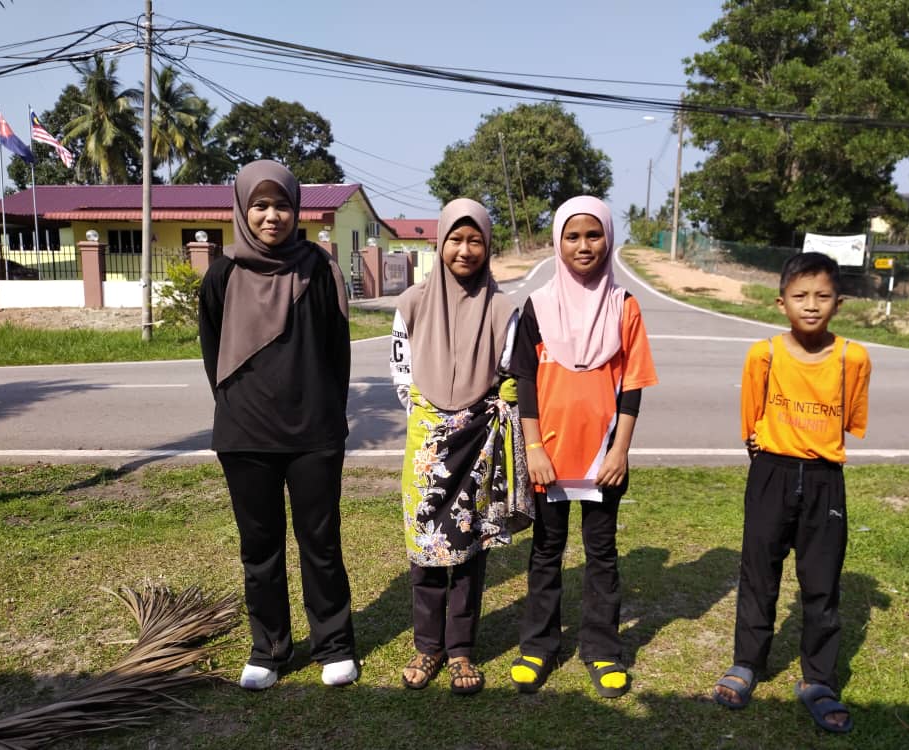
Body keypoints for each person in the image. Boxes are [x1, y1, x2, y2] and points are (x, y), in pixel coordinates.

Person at [198, 159, 358, 691]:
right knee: (259, 547)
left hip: (314, 432)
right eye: (260, 206)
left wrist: (329, 415)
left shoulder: (319, 269)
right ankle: (268, 649)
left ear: (297, 210)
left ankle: (333, 644)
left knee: (321, 541)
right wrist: (238, 408)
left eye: (282, 205)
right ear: (243, 210)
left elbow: (337, 352)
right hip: (246, 434)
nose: (272, 216)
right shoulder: (222, 274)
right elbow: (213, 354)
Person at [712, 251, 871, 734]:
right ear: (781, 302)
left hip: (825, 479)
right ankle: (746, 663)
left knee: (821, 583)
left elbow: (849, 418)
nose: (811, 305)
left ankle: (818, 681)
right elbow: (751, 421)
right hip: (772, 473)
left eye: (823, 296)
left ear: (839, 303)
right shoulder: (763, 354)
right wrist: (770, 452)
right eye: (800, 296)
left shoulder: (853, 358)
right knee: (758, 572)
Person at [508, 196, 657, 698]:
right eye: (572, 236)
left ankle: (602, 649)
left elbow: (632, 385)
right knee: (546, 551)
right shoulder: (538, 305)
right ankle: (538, 645)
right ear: (558, 242)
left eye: (594, 235)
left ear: (608, 239)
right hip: (548, 455)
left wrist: (620, 451)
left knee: (602, 553)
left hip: (602, 458)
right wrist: (534, 448)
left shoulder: (624, 305)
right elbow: (525, 381)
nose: (583, 245)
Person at [391, 198, 529, 696]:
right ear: (440, 242)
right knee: (425, 544)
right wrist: (434, 419)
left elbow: (511, 371)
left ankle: (461, 649)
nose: (465, 250)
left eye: (475, 241)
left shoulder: (503, 308)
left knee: (469, 546)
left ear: (487, 246)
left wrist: (483, 408)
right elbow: (402, 372)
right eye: (456, 239)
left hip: (479, 441)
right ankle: (427, 646)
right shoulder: (411, 303)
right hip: (427, 442)